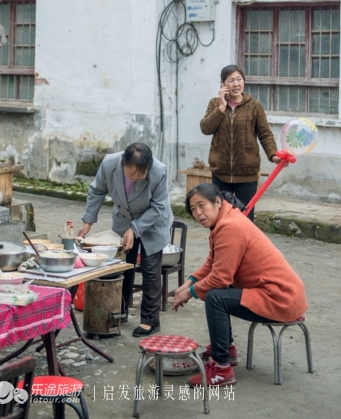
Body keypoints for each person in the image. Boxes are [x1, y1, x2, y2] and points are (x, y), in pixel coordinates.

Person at [172, 183, 308, 387]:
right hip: (280, 294)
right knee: (217, 292)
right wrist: (188, 283)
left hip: (281, 298)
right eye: (193, 209)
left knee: (215, 296)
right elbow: (212, 262)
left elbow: (220, 278)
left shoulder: (229, 226)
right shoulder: (225, 220)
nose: (198, 213)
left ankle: (220, 368)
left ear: (217, 202)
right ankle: (226, 349)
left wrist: (190, 293)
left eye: (202, 205)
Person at [78, 142, 173, 337]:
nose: (138, 177)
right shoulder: (109, 164)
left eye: (142, 173)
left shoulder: (159, 171)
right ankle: (118, 312)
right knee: (122, 266)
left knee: (150, 270)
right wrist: (88, 220)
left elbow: (158, 206)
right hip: (124, 218)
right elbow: (97, 191)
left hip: (153, 221)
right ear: (123, 164)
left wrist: (136, 229)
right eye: (132, 173)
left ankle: (150, 320)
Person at [200, 64, 283, 220]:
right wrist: (221, 108)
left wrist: (273, 155)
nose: (236, 84)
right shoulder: (214, 104)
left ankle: (243, 245)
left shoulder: (255, 106)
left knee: (245, 219)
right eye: (231, 80)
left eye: (239, 79)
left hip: (247, 174)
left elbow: (265, 134)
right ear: (223, 84)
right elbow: (205, 128)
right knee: (220, 219)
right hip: (220, 173)